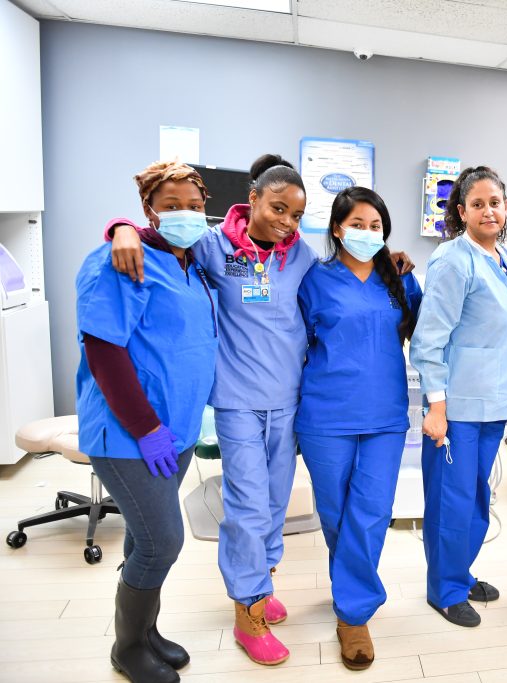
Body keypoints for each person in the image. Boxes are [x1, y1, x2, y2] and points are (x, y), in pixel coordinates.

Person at [109, 154, 316, 665]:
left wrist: (392, 259)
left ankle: (262, 583)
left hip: (287, 401)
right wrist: (120, 227)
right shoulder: (213, 245)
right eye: (277, 208)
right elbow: (158, 236)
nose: (286, 221)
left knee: (275, 505)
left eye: (296, 214)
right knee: (248, 507)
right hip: (238, 401)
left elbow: (334, 285)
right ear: (253, 199)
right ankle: (248, 611)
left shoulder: (302, 255)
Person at [76, 160, 218, 683]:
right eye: (172, 205)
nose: (186, 214)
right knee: (162, 542)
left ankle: (148, 633)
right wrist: (145, 427)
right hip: (128, 434)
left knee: (142, 539)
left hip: (177, 430)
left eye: (195, 206)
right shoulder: (121, 259)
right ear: (148, 209)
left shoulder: (191, 263)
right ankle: (127, 647)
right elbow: (104, 351)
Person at [295, 187, 422, 670]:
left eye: (376, 226)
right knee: (336, 515)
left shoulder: (400, 279)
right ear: (337, 228)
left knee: (371, 511)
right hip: (326, 417)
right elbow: (297, 345)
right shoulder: (315, 280)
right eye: (358, 224)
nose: (368, 233)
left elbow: (422, 333)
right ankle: (351, 592)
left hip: (385, 416)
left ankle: (352, 614)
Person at [410, 166, 507, 628]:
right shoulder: (452, 260)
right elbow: (428, 341)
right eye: (477, 204)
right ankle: (444, 590)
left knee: (477, 496)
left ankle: (459, 573)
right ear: (461, 211)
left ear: (506, 207)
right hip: (456, 407)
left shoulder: (506, 259)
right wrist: (437, 408)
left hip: (492, 403)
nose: (488, 211)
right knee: (451, 501)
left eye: (494, 203)